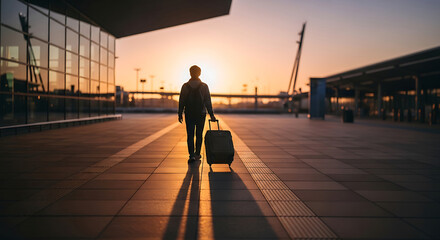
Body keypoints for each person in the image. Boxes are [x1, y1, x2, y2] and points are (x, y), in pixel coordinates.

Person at [178, 65, 216, 163]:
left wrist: (180, 113)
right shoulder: (204, 86)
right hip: (201, 114)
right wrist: (211, 114)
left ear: (190, 73)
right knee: (199, 134)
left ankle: (191, 155)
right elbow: (208, 101)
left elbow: (181, 100)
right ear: (200, 73)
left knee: (190, 135)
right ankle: (197, 154)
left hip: (189, 114)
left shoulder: (185, 86)